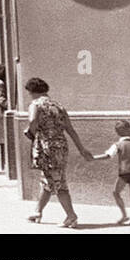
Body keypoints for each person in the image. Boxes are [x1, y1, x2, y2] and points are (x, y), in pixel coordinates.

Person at [23, 77, 91, 227]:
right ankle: (37, 211)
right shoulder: (58, 106)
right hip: (61, 145)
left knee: (58, 182)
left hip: (46, 147)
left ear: (32, 91)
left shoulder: (35, 104)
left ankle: (71, 215)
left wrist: (30, 133)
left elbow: (33, 121)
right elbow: (70, 129)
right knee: (48, 179)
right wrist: (81, 148)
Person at [83, 120, 130, 225]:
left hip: (124, 173)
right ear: (129, 129)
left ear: (118, 132)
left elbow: (108, 156)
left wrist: (93, 158)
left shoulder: (118, 144)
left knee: (116, 193)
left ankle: (124, 215)